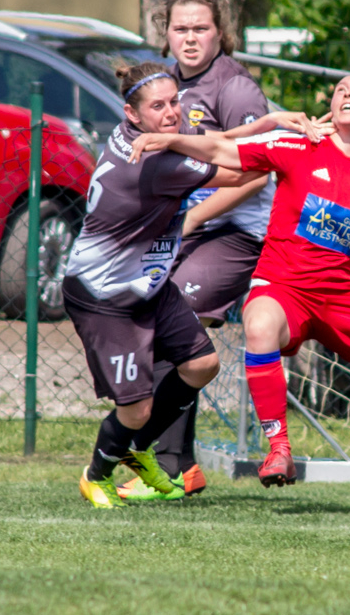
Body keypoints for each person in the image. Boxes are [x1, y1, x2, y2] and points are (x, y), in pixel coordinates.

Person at [132, 74, 350, 518]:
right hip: (283, 286)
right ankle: (279, 449)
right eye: (341, 89)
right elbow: (221, 151)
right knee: (259, 324)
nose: (347, 93)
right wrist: (168, 139)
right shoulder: (296, 148)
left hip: (346, 297)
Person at [64, 61, 264, 508]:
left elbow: (211, 144)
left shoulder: (143, 139)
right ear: (132, 114)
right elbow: (242, 170)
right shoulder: (156, 162)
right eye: (159, 106)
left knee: (201, 365)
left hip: (148, 281)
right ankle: (95, 476)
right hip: (105, 296)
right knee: (136, 408)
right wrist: (290, 146)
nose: (172, 112)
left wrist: (267, 124)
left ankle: (136, 449)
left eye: (176, 101)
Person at [119, 0, 273, 502]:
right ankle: (179, 465)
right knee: (150, 324)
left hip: (236, 231)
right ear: (166, 34)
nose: (189, 38)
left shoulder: (235, 88)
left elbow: (255, 173)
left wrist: (188, 222)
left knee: (174, 320)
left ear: (220, 33)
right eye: (180, 28)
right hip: (183, 227)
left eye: (200, 28)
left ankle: (163, 464)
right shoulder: (165, 86)